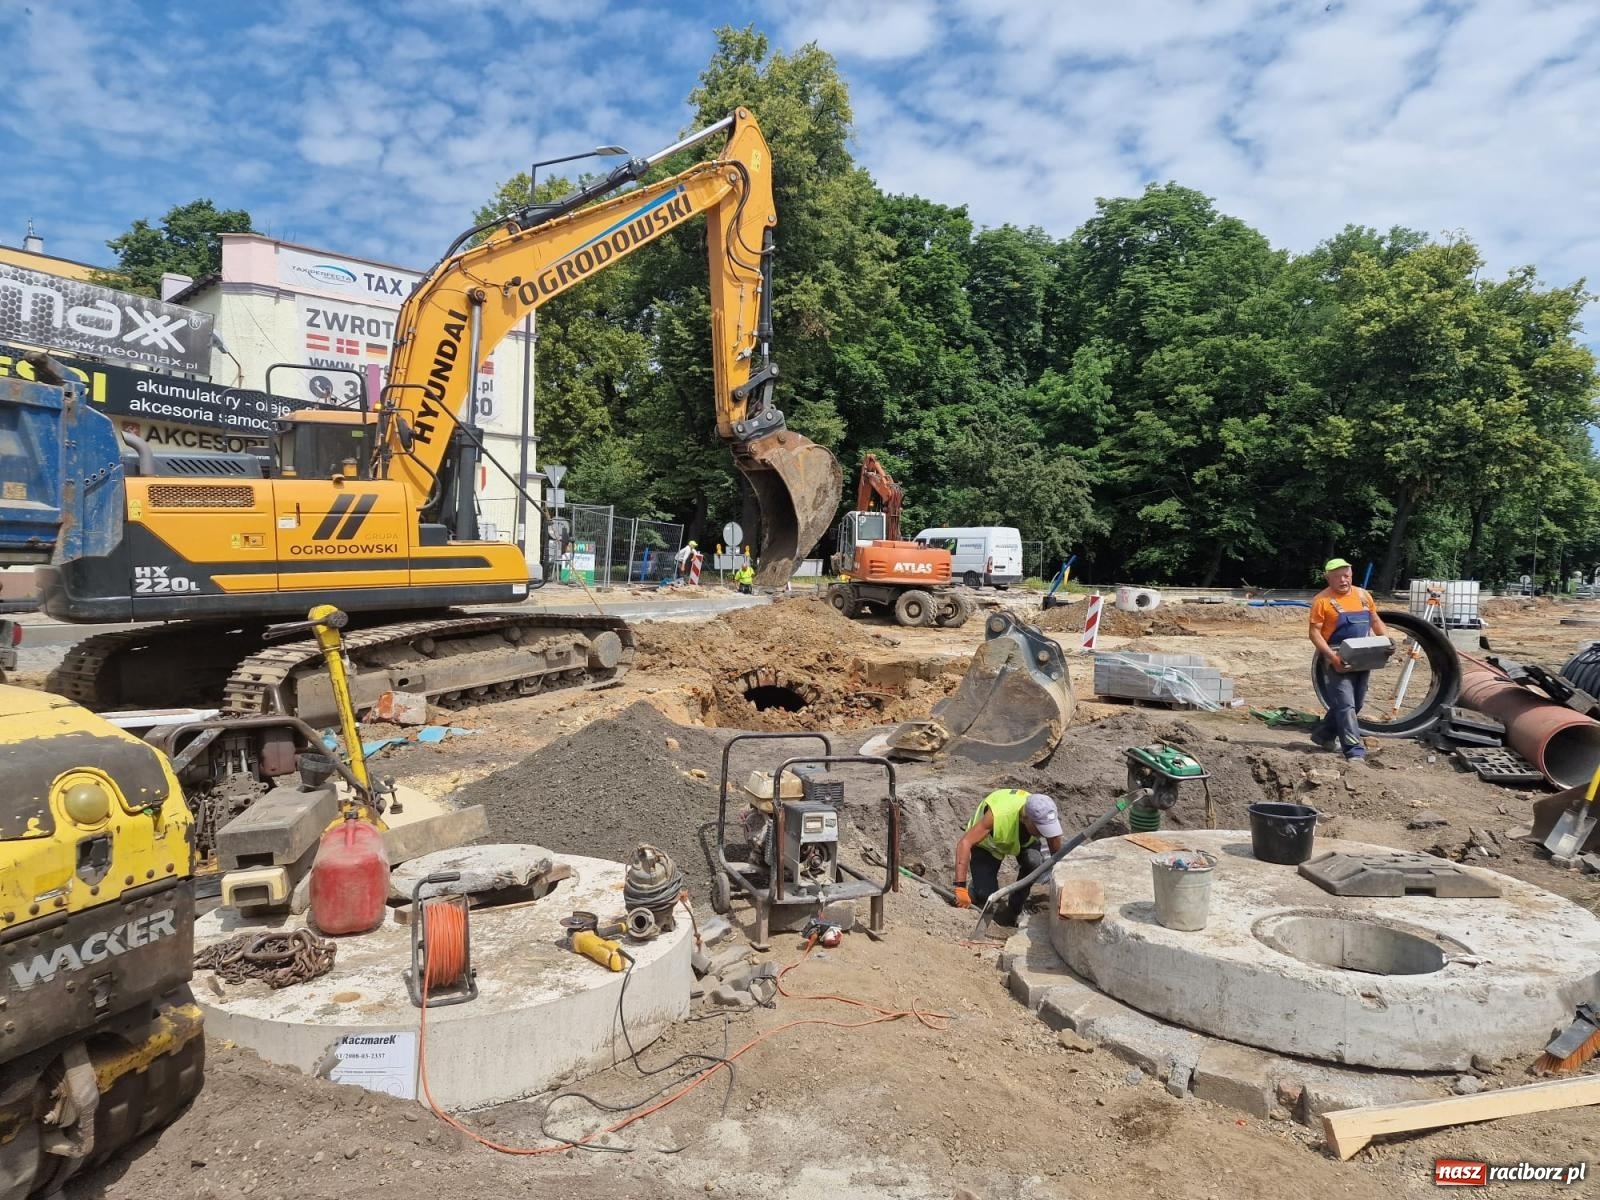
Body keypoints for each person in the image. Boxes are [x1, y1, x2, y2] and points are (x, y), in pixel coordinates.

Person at [1308, 558, 1390, 761]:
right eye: (1337, 577)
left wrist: (1386, 641)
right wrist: (1332, 657)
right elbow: (1314, 633)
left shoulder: (1363, 595)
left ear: (1351, 575)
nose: (1343, 580)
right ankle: (1354, 751)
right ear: (1328, 578)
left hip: (1364, 653)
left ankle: (1323, 734)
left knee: (1357, 703)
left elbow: (1375, 620)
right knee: (1346, 704)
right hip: (1337, 655)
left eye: (1346, 575)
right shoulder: (1322, 601)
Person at [952, 790, 1065, 925]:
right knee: (985, 894)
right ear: (1025, 818)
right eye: (1040, 829)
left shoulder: (1042, 811)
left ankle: (1015, 909)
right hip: (988, 845)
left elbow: (1055, 846)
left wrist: (1063, 878)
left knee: (1034, 861)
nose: (1043, 833)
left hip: (1021, 842)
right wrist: (960, 887)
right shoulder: (998, 815)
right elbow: (964, 843)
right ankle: (975, 889)